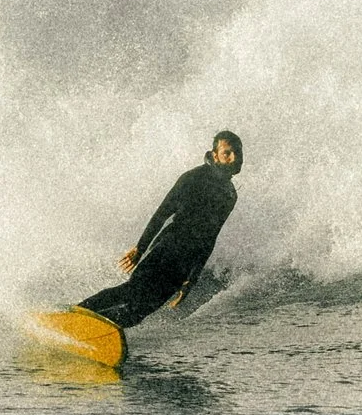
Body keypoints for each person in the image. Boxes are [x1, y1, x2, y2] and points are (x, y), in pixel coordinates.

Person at [77, 131, 244, 328]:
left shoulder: (229, 195)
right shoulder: (194, 178)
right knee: (131, 292)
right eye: (227, 153)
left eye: (238, 153)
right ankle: (75, 313)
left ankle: (91, 331)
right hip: (167, 249)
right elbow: (161, 214)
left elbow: (210, 238)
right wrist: (140, 248)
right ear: (215, 155)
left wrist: (192, 279)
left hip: (185, 262)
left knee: (138, 313)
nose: (234, 158)